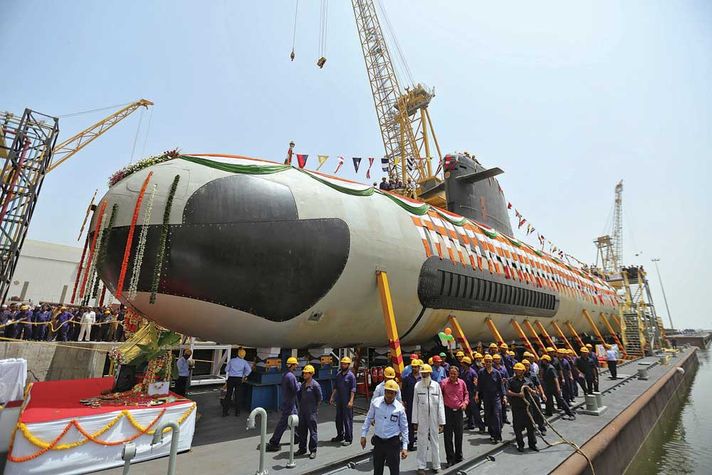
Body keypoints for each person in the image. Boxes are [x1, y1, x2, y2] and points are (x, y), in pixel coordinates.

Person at [360, 380, 409, 475]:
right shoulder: (376, 403)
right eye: (387, 392)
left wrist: (405, 447)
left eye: (392, 393)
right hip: (378, 443)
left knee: (394, 470)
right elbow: (368, 418)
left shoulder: (399, 408)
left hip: (393, 443)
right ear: (384, 391)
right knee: (377, 470)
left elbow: (404, 428)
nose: (389, 395)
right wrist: (363, 435)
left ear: (395, 394)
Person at [413, 364, 445, 474]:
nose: (424, 375)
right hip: (422, 418)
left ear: (430, 373)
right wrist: (415, 421)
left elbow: (440, 404)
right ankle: (421, 466)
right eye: (423, 373)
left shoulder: (436, 386)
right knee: (421, 442)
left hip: (434, 418)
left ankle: (436, 465)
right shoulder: (417, 386)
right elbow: (414, 404)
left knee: (435, 441)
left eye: (426, 373)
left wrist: (442, 422)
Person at [267, 357, 301, 451]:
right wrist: (300, 384)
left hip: (289, 401)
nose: (296, 366)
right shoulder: (291, 376)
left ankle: (298, 437)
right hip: (290, 403)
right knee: (284, 423)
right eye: (295, 365)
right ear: (292, 365)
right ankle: (274, 442)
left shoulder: (286, 374)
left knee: (295, 421)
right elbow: (296, 389)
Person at [507, 363, 538, 452]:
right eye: (516, 370)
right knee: (517, 427)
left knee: (530, 427)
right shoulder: (511, 381)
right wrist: (518, 395)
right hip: (517, 407)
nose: (517, 371)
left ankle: (532, 444)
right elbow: (507, 392)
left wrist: (530, 390)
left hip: (528, 407)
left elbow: (534, 392)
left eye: (519, 370)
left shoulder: (528, 381)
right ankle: (520, 445)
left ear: (523, 371)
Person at [440, 365, 468, 466]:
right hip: (447, 411)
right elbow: (440, 396)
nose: (452, 375)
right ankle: (450, 459)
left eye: (454, 374)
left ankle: (459, 456)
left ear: (458, 374)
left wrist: (465, 403)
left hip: (459, 412)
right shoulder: (443, 383)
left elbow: (466, 394)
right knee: (448, 436)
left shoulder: (462, 383)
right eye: (451, 373)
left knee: (459, 434)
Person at [296, 364, 322, 459]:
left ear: (311, 374)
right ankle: (302, 449)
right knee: (302, 431)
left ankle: (313, 450)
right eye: (304, 373)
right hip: (302, 412)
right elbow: (299, 398)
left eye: (306, 373)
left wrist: (314, 409)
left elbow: (319, 398)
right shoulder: (302, 385)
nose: (304, 375)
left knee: (313, 432)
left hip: (311, 413)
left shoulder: (315, 385)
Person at [330, 356, 356, 446]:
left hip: (347, 401)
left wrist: (351, 401)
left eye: (345, 364)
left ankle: (348, 438)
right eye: (342, 363)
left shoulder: (351, 376)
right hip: (339, 401)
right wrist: (332, 397)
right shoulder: (338, 375)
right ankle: (340, 435)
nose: (343, 365)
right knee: (338, 419)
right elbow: (336, 387)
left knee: (347, 419)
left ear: (348, 365)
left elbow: (353, 389)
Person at [478, 354, 504, 443]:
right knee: (488, 416)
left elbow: (501, 386)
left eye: (489, 362)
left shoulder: (497, 373)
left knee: (496, 415)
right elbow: (479, 385)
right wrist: (477, 395)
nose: (488, 363)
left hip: (495, 397)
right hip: (486, 397)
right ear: (484, 363)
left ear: (492, 362)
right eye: (486, 362)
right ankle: (492, 434)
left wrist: (504, 397)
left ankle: (498, 435)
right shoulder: (481, 372)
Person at [223, 347, 252, 416]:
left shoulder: (232, 360)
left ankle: (225, 412)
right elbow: (249, 370)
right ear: (244, 355)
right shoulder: (244, 362)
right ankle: (237, 412)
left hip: (231, 379)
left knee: (228, 395)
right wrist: (244, 375)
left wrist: (232, 370)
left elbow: (226, 370)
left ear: (238, 354)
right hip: (239, 379)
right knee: (238, 395)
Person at [522, 359, 547, 434]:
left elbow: (538, 384)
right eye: (524, 365)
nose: (526, 367)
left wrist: (543, 394)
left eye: (527, 366)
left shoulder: (533, 374)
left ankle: (542, 427)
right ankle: (531, 428)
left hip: (534, 395)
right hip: (525, 397)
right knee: (528, 412)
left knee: (538, 411)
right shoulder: (520, 375)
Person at [402, 358, 421, 451]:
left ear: (419, 367)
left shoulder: (422, 378)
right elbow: (403, 391)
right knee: (409, 424)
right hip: (410, 404)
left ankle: (422, 443)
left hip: (421, 405)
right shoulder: (407, 379)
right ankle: (410, 443)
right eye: (413, 367)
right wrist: (404, 402)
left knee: (421, 424)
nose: (414, 369)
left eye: (416, 367)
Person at [461, 356, 484, 432]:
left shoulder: (472, 373)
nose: (462, 364)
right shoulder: (463, 371)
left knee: (475, 411)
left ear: (466, 364)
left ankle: (481, 427)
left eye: (463, 363)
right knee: (468, 411)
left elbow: (476, 384)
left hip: (472, 394)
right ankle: (470, 424)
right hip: (465, 394)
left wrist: (476, 395)